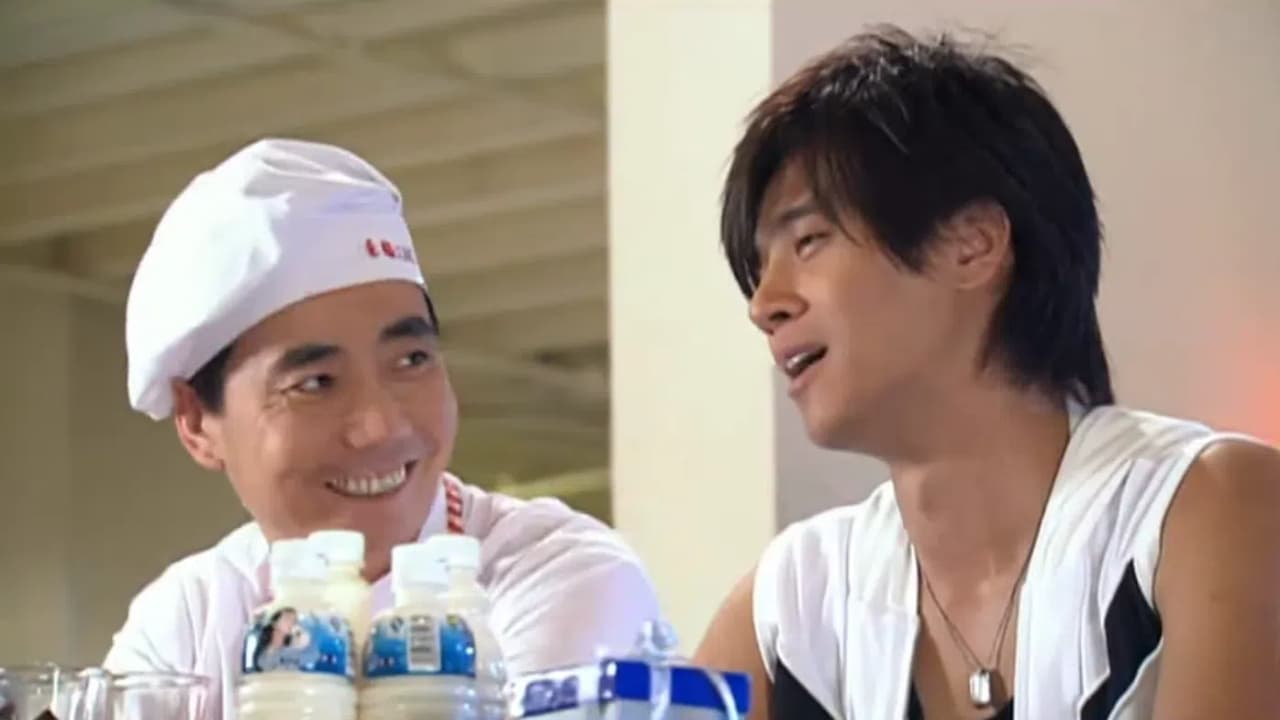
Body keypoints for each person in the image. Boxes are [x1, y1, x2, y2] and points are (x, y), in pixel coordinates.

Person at [693, 25, 1280, 720]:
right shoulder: (787, 609)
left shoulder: (1210, 510)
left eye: (809, 241)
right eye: (758, 269)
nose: (765, 304)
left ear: (973, 244)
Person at [105, 138, 662, 719]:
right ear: (198, 422)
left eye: (411, 360)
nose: (380, 427)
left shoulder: (556, 576)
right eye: (316, 383)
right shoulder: (191, 619)